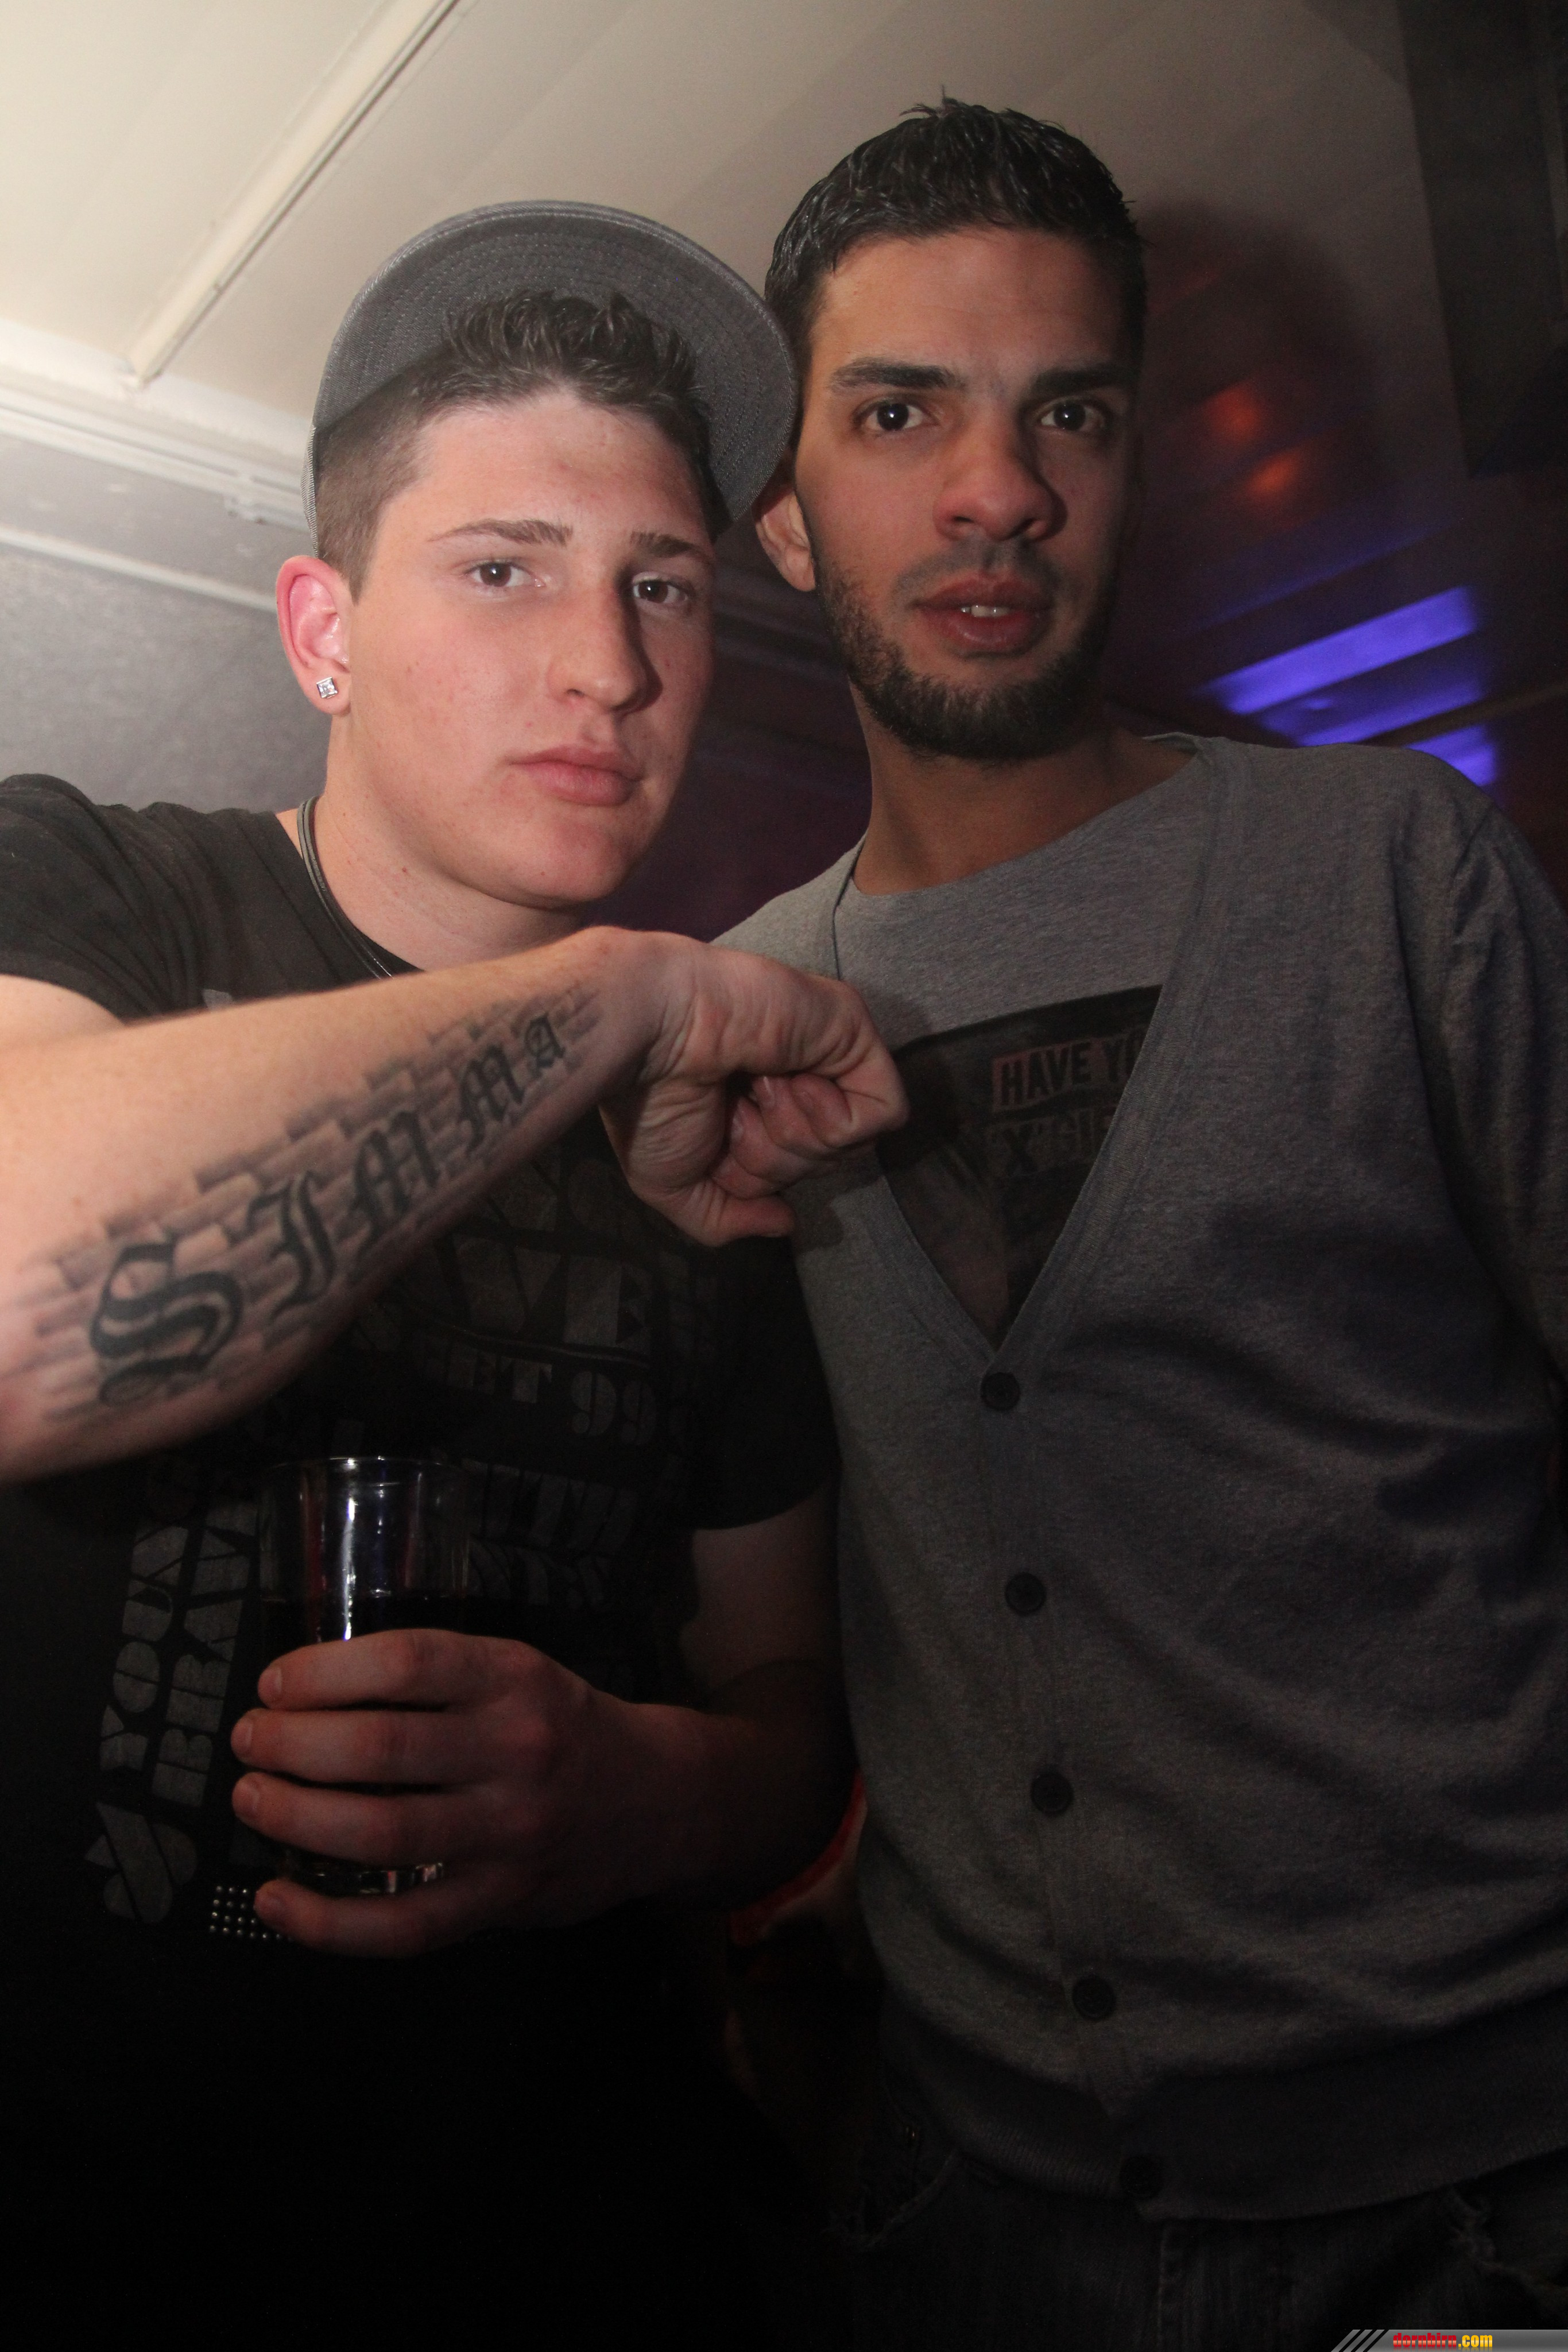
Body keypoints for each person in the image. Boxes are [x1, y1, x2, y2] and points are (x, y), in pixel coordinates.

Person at [0, 203, 903, 2338]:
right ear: (321, 631)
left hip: (581, 2241)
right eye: (504, 569)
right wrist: (621, 996)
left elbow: (790, 1712)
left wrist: (639, 1795)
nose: (610, 665)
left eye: (659, 586)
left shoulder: (722, 1137)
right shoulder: (99, 886)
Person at [725, 99, 1568, 2345]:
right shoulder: (719, 1008)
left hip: (1480, 2199)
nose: (996, 489)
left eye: (1068, 413)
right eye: (897, 414)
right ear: (781, 515)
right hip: (977, 2213)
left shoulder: (1394, 868)